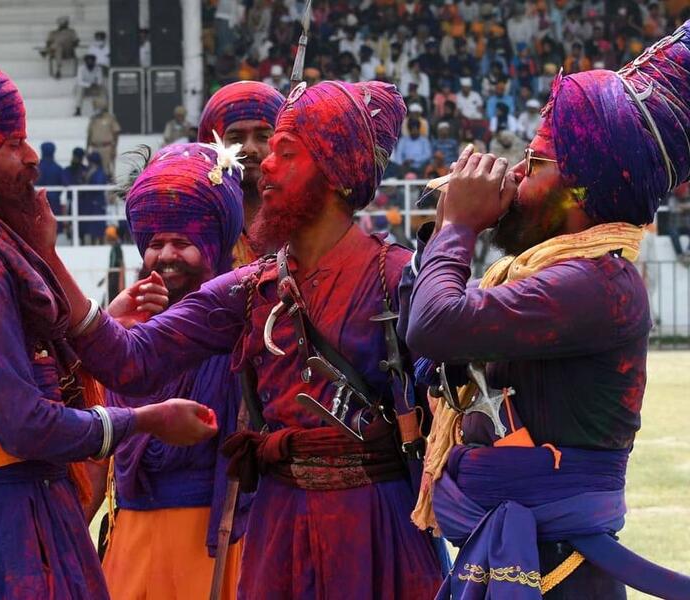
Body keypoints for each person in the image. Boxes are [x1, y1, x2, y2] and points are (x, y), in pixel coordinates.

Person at [36, 80, 444, 599]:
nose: (262, 164)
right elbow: (130, 361)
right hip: (278, 531)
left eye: (284, 151)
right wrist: (46, 255)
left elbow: (453, 402)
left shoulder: (399, 277)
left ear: (336, 173)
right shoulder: (250, 288)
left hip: (375, 531)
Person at [0, 46, 218, 600]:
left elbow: (10, 376)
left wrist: (96, 326)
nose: (31, 157)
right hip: (6, 524)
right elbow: (23, 422)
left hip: (5, 510)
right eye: (10, 144)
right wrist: (144, 420)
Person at [401, 22, 690, 599]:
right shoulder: (561, 274)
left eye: (533, 162)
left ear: (579, 190)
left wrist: (458, 225)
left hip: (560, 575)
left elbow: (435, 325)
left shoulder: (596, 283)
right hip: (521, 558)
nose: (511, 173)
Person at [101, 142, 247, 600]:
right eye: (155, 244)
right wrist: (114, 333)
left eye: (182, 243)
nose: (165, 255)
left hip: (217, 538)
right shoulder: (128, 321)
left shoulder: (243, 320)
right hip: (131, 537)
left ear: (212, 245)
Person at [197, 80, 285, 265]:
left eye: (263, 137)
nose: (249, 148)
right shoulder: (200, 226)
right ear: (212, 144)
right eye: (236, 138)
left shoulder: (306, 222)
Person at [87, 96, 121, 178]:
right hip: (95, 148)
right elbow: (89, 135)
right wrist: (87, 149)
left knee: (107, 171)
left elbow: (116, 132)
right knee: (93, 171)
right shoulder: (93, 119)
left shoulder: (110, 118)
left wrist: (114, 148)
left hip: (107, 148)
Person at [37, 141, 64, 233]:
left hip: (38, 202)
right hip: (54, 203)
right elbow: (64, 183)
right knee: (54, 227)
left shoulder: (36, 168)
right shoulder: (58, 169)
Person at [102, 225, 124, 306]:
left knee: (112, 300)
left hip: (115, 278)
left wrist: (121, 282)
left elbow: (120, 265)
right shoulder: (114, 247)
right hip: (113, 277)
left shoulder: (117, 248)